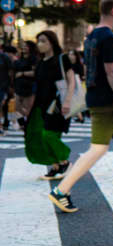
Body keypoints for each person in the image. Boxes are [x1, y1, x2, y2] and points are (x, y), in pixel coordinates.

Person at [48, 0, 113, 213]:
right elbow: (112, 71)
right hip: (106, 99)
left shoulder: (92, 36)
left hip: (96, 95)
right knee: (98, 148)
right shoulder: (109, 38)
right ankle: (61, 190)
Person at [26, 30, 75, 180]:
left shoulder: (62, 58)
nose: (39, 44)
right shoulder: (40, 62)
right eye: (38, 41)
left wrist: (67, 101)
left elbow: (72, 80)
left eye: (43, 41)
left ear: (52, 43)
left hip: (57, 103)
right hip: (41, 104)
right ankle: (56, 166)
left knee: (49, 134)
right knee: (38, 135)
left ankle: (65, 162)